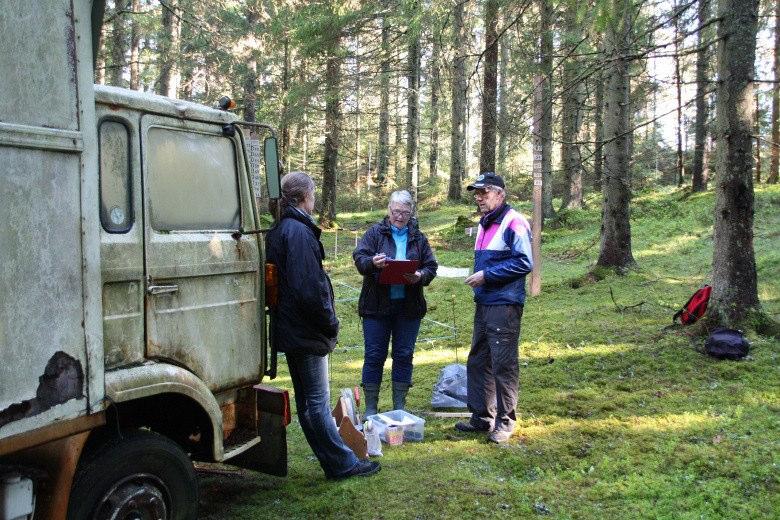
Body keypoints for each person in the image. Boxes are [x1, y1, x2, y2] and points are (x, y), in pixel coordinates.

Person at [265, 172, 380, 479]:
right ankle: (342, 464)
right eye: (313, 194)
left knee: (308, 402)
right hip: (305, 330)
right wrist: (329, 322)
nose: (315, 200)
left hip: (292, 327)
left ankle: (335, 461)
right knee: (316, 402)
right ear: (304, 198)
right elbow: (308, 288)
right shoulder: (298, 233)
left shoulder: (282, 228)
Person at [455, 172, 533, 444]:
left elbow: (525, 262)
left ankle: (505, 422)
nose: (478, 197)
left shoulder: (515, 221)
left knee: (503, 364)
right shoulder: (485, 223)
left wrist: (487, 276)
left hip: (505, 304)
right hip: (485, 302)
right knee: (478, 360)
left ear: (500, 193)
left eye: (484, 192)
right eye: (476, 193)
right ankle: (481, 418)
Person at [353, 190, 438, 416]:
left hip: (408, 308)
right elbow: (359, 260)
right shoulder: (374, 234)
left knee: (403, 354)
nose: (399, 216)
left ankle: (399, 407)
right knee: (374, 355)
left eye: (405, 212)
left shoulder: (418, 238)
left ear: (411, 213)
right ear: (388, 210)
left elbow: (431, 266)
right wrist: (373, 262)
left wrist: (420, 276)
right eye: (396, 211)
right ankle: (371, 408)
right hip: (376, 306)